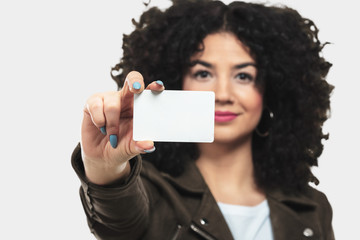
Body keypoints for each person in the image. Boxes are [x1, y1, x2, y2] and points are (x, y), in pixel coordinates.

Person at [71, 0, 335, 239]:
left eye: (243, 76)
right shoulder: (150, 190)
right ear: (178, 81)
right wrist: (102, 168)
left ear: (271, 91)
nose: (222, 94)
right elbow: (117, 219)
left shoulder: (312, 208)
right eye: (203, 74)